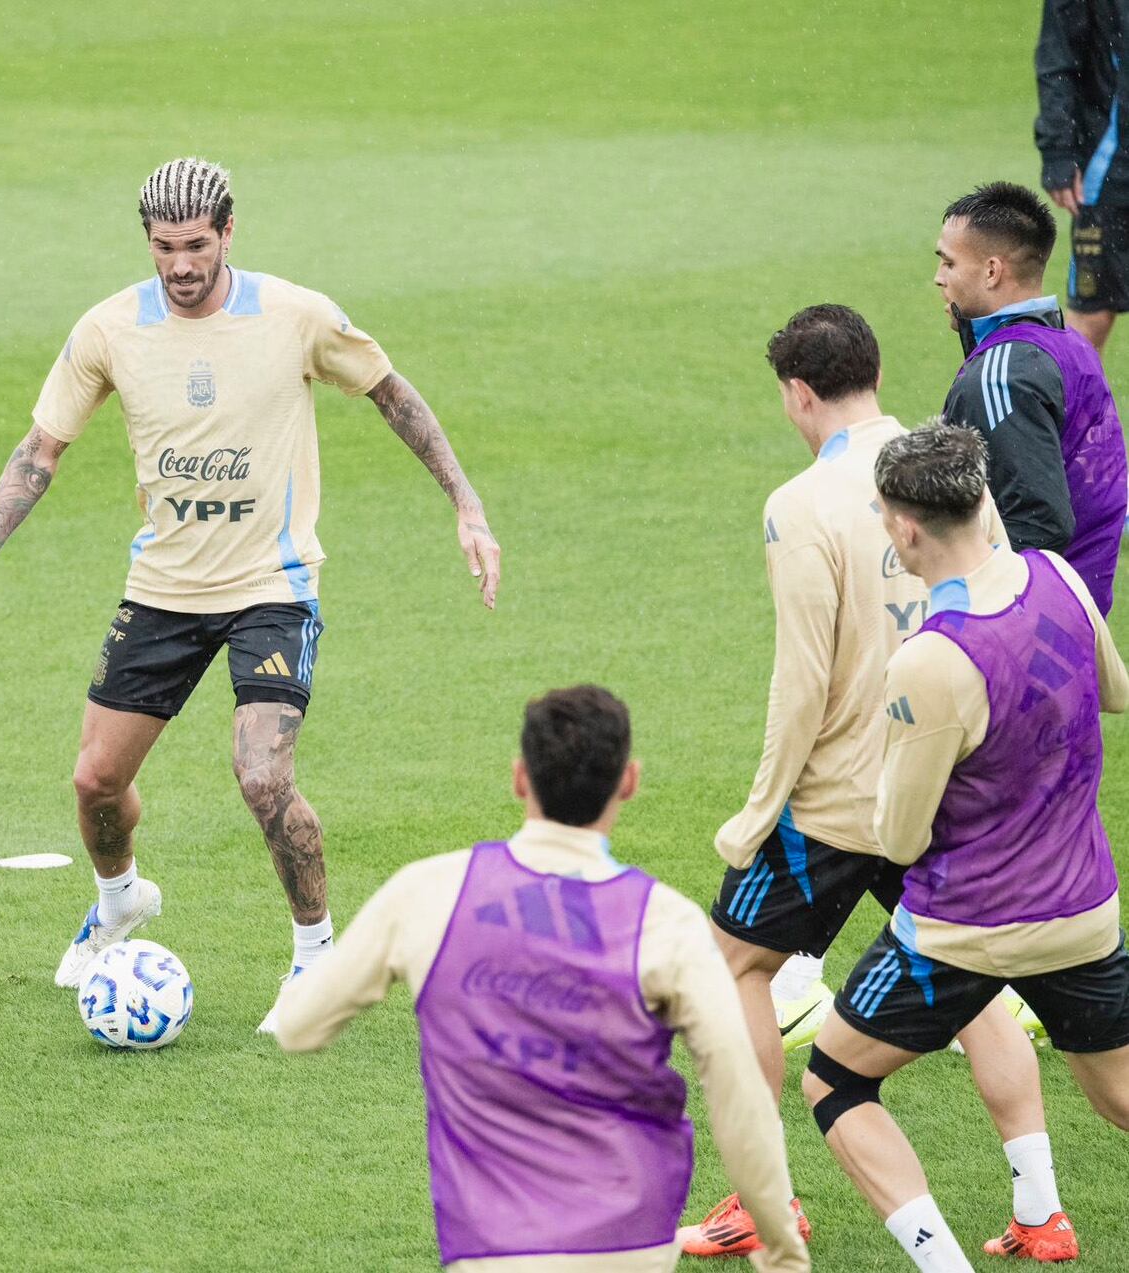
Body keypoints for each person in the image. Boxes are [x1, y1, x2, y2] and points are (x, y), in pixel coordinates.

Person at [0, 157, 500, 1030]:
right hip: (163, 589)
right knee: (94, 782)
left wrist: (465, 503)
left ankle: (317, 956)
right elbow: (37, 455)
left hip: (270, 586)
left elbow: (391, 394)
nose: (181, 265)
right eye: (164, 248)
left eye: (196, 245)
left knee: (261, 772)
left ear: (228, 233)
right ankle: (120, 898)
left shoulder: (295, 316)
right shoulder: (108, 330)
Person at [684, 309, 1064, 1259]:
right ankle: (1039, 1210)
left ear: (797, 392)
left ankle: (762, 1203)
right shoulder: (947, 459)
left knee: (733, 966)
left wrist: (757, 808)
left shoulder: (799, 503)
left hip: (842, 798)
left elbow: (801, 679)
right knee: (969, 982)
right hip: (947, 781)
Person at [272, 686, 808, 1273]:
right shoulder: (667, 922)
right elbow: (740, 1102)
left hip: (489, 1247)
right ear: (628, 781)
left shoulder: (427, 893)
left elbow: (299, 1027)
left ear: (520, 777)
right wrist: (780, 1245)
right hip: (633, 1246)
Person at [802, 426, 1129, 1270]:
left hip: (962, 929)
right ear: (981, 500)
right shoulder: (1057, 577)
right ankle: (1032, 1209)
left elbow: (900, 838)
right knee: (1121, 1097)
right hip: (1083, 911)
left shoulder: (930, 659)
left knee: (834, 1081)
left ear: (905, 529)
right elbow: (1115, 693)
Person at [935, 182, 1127, 615]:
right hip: (1080, 609)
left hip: (1033, 626)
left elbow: (1037, 525)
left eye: (948, 262)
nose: (939, 277)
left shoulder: (1003, 373)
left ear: (991, 271)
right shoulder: (1068, 345)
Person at [1036, 0, 1129, 350]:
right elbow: (1057, 56)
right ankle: (1076, 404)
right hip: (1114, 165)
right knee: (1092, 309)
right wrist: (1058, 150)